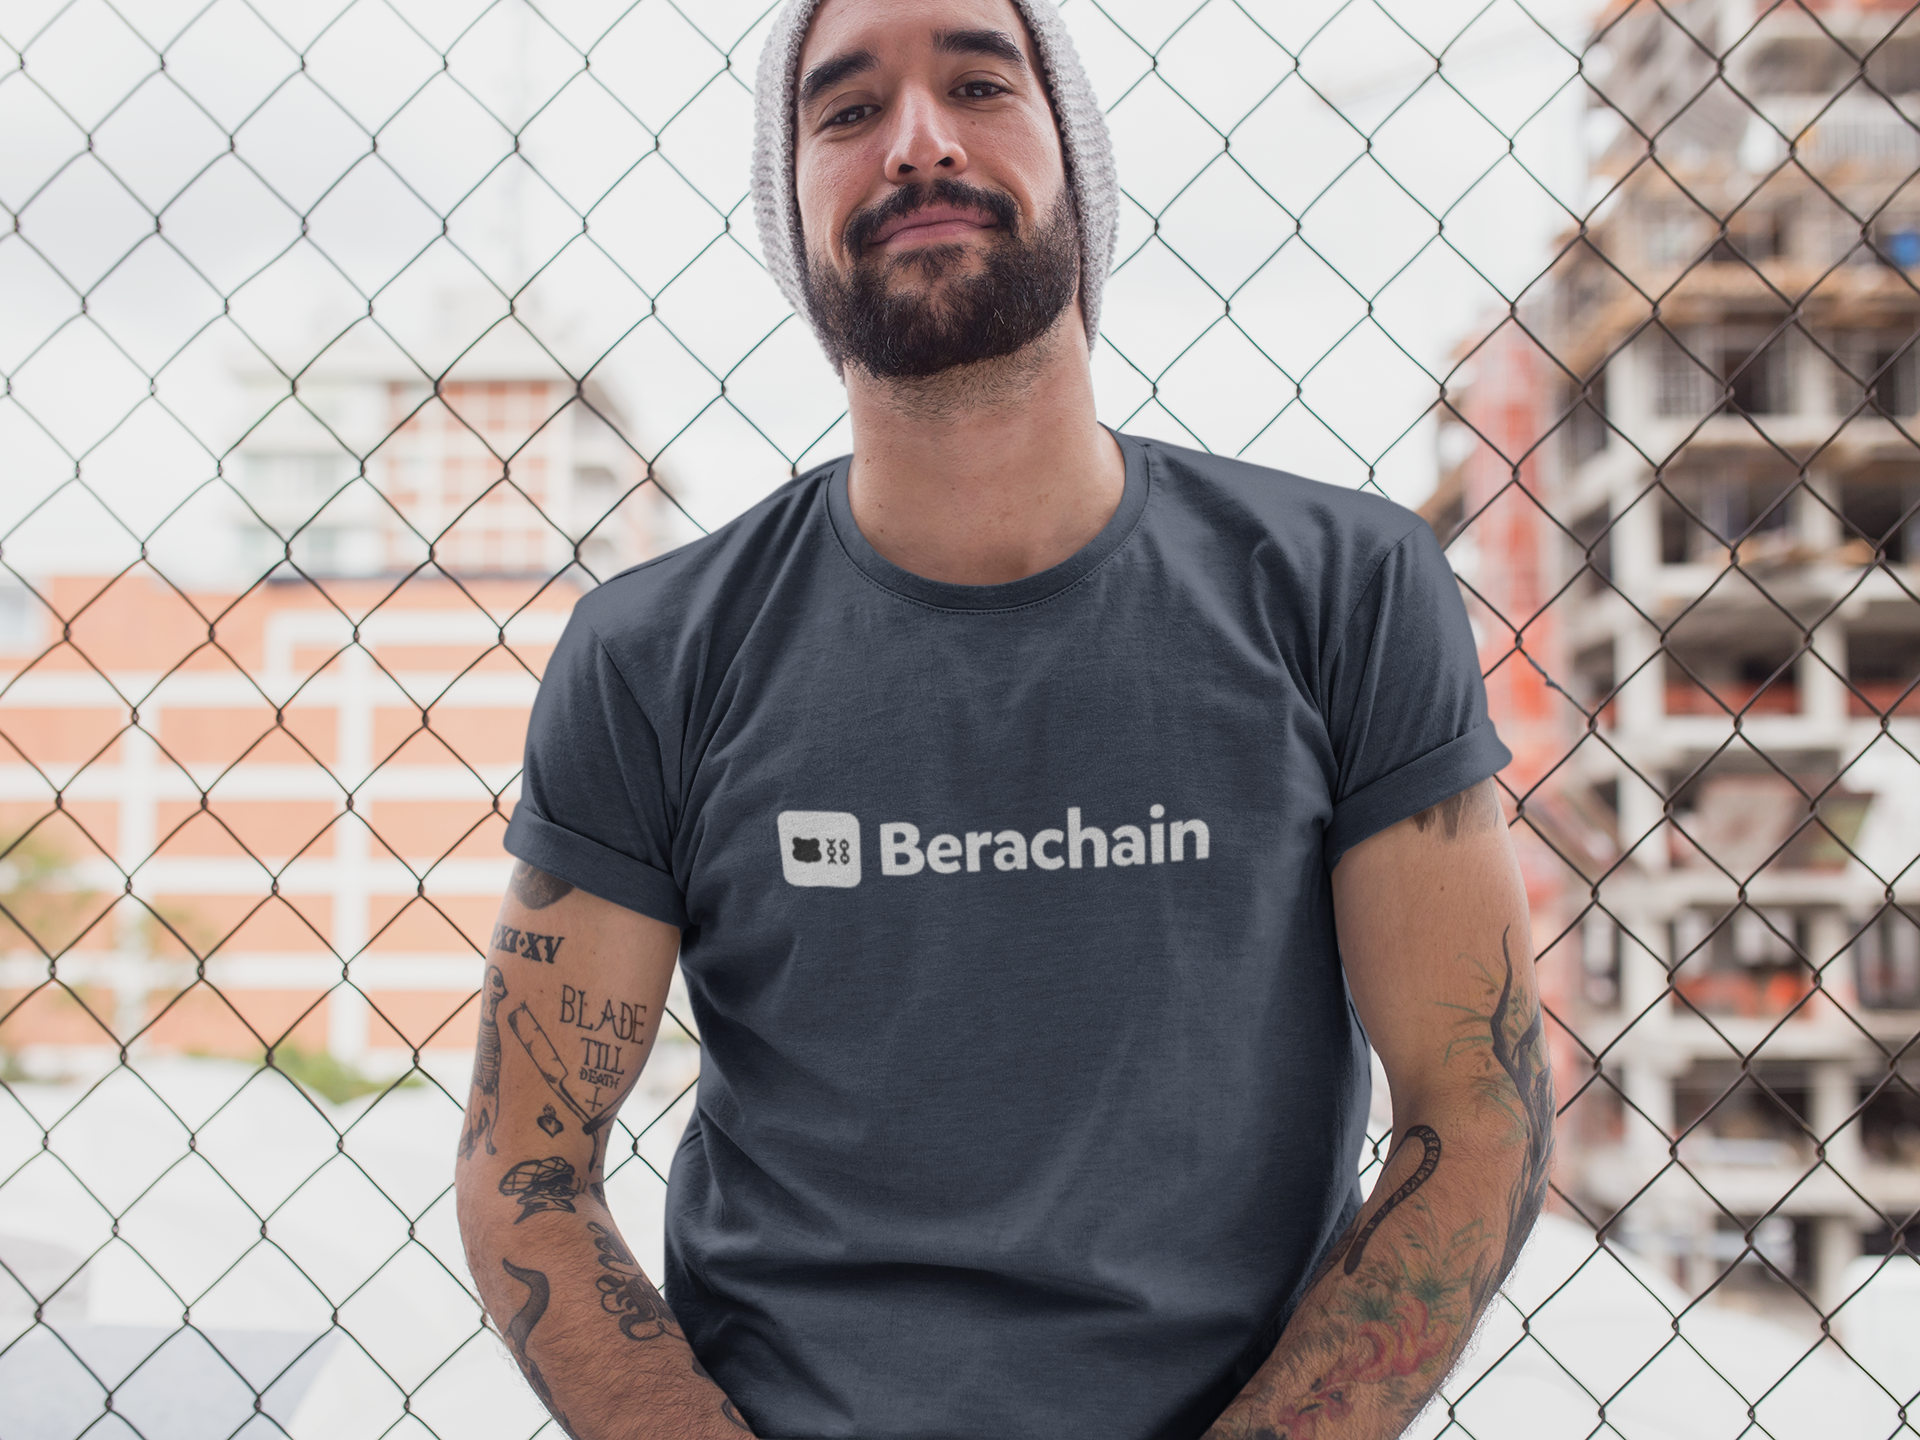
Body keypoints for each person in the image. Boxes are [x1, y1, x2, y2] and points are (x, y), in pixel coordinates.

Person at [453, 0, 1552, 1435]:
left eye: (978, 84)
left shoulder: (1347, 588)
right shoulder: (650, 653)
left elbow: (1476, 1111)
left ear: (1073, 160)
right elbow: (527, 1172)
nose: (917, 142)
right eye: (848, 111)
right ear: (792, 208)